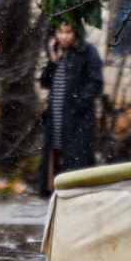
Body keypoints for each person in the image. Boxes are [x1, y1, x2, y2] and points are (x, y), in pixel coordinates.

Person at [39, 19, 103, 195]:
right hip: (57, 116)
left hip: (77, 119)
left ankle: (77, 192)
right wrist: (53, 60)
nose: (64, 37)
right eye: (60, 32)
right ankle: (56, 191)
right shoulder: (57, 53)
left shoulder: (87, 52)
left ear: (75, 33)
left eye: (68, 32)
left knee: (76, 158)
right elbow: (45, 82)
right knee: (56, 154)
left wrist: (77, 106)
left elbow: (95, 83)